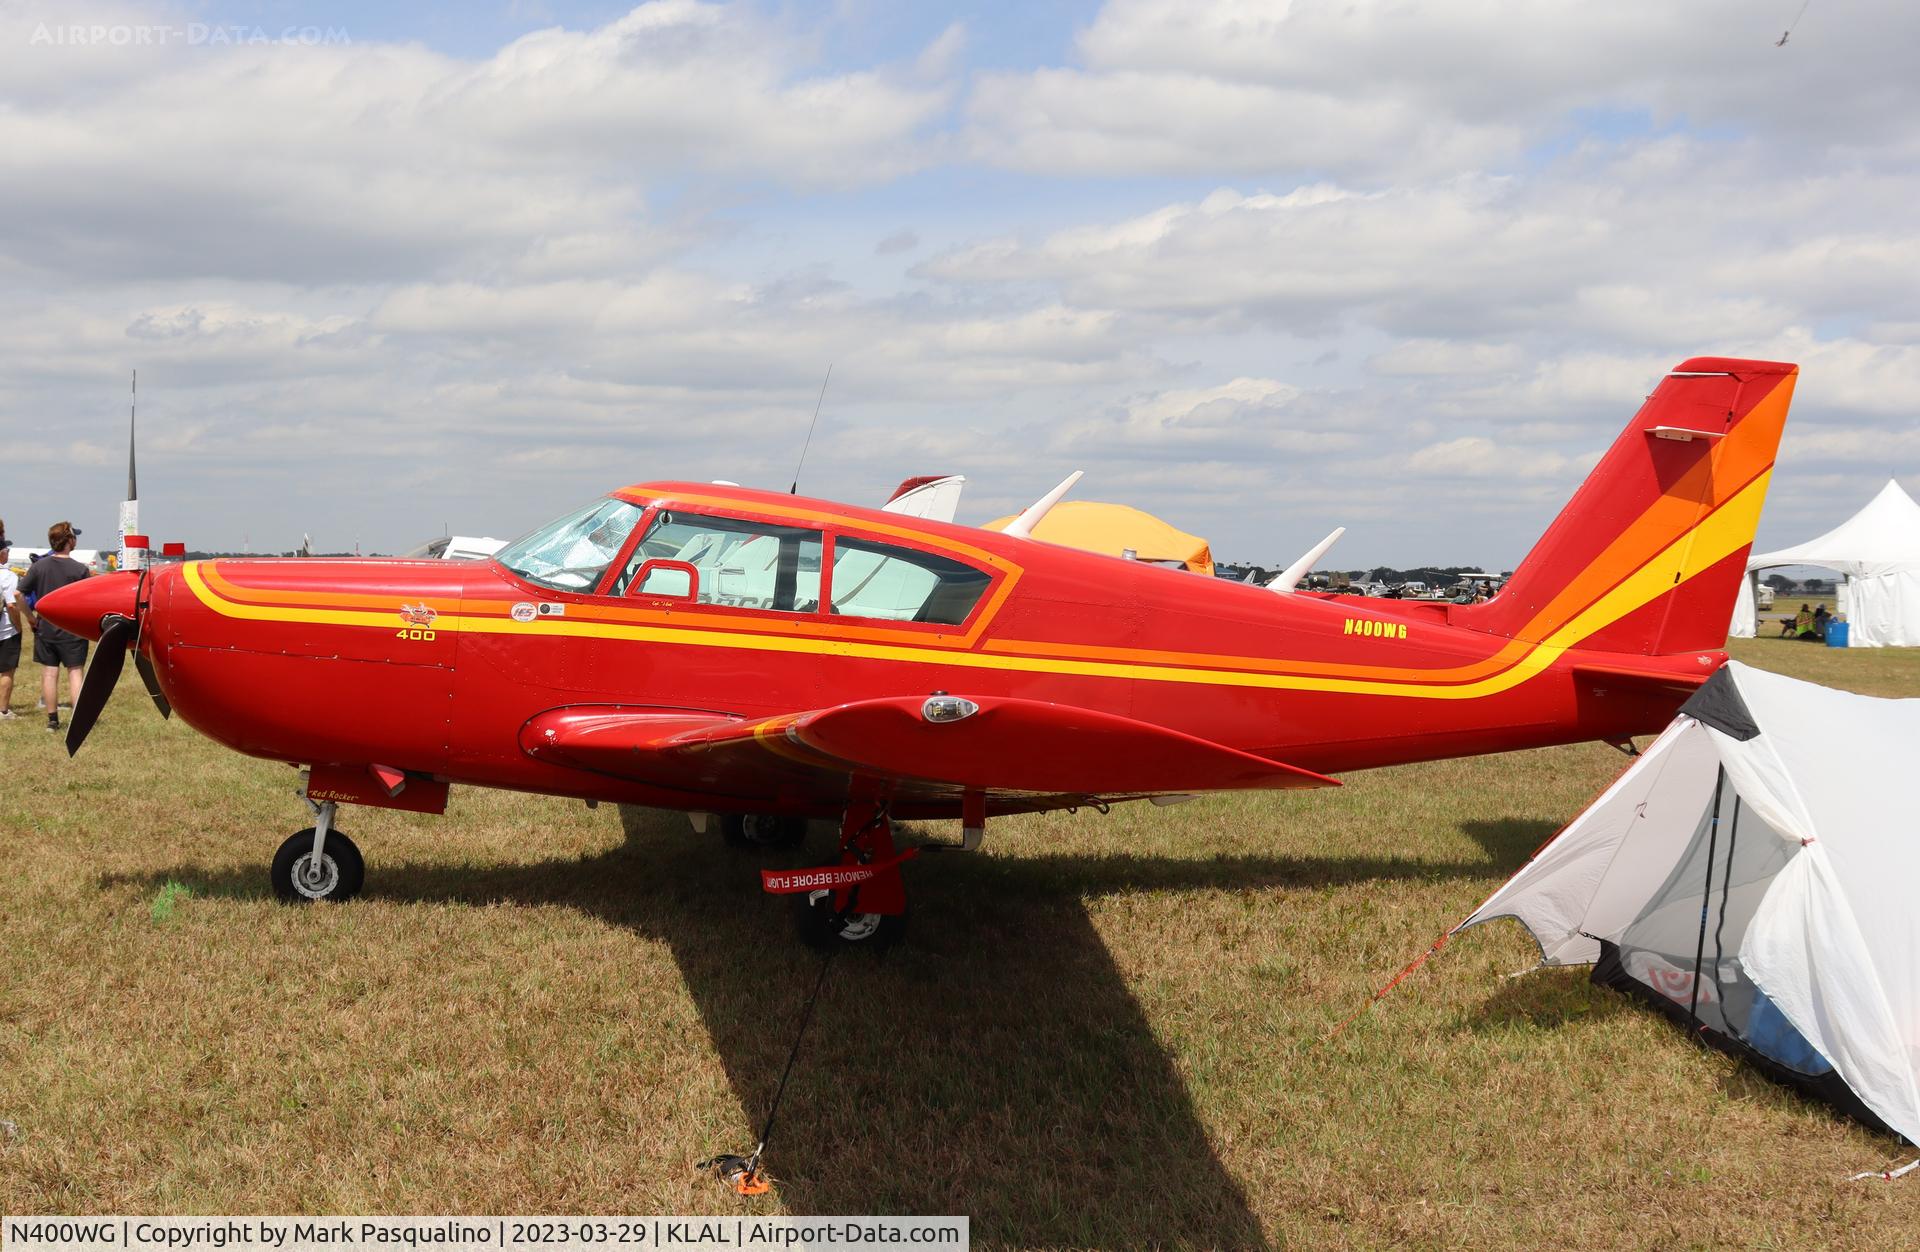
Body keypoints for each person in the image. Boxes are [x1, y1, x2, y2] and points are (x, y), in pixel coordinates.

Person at [20, 521, 91, 732]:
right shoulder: (80, 569)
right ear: (69, 541)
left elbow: (18, 594)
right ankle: (80, 722)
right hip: (73, 630)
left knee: (50, 673)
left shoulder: (39, 566)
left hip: (45, 629)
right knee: (75, 673)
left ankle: (52, 720)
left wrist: (30, 618)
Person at [0, 524, 21, 720]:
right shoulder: (8, 576)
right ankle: (3, 710)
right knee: (7, 670)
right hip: (5, 629)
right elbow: (12, 605)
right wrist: (19, 626)